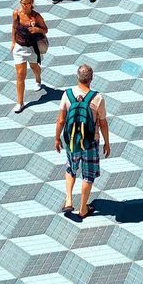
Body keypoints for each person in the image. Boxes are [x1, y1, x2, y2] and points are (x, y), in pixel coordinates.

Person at [54, 64, 110, 221]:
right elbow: (103, 123)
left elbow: (61, 120)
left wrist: (57, 138)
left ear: (77, 77)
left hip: (72, 141)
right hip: (91, 143)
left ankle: (69, 199)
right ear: (91, 78)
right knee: (88, 175)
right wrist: (107, 142)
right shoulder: (97, 98)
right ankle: (83, 208)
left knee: (71, 168)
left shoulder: (67, 95)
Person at [11, 0, 49, 113]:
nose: (25, 6)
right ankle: (20, 102)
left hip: (32, 48)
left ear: (32, 3)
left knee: (34, 67)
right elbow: (14, 28)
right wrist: (13, 42)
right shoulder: (16, 13)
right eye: (23, 4)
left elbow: (45, 30)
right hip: (19, 48)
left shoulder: (36, 17)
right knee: (20, 75)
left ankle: (38, 78)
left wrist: (37, 30)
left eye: (27, 4)